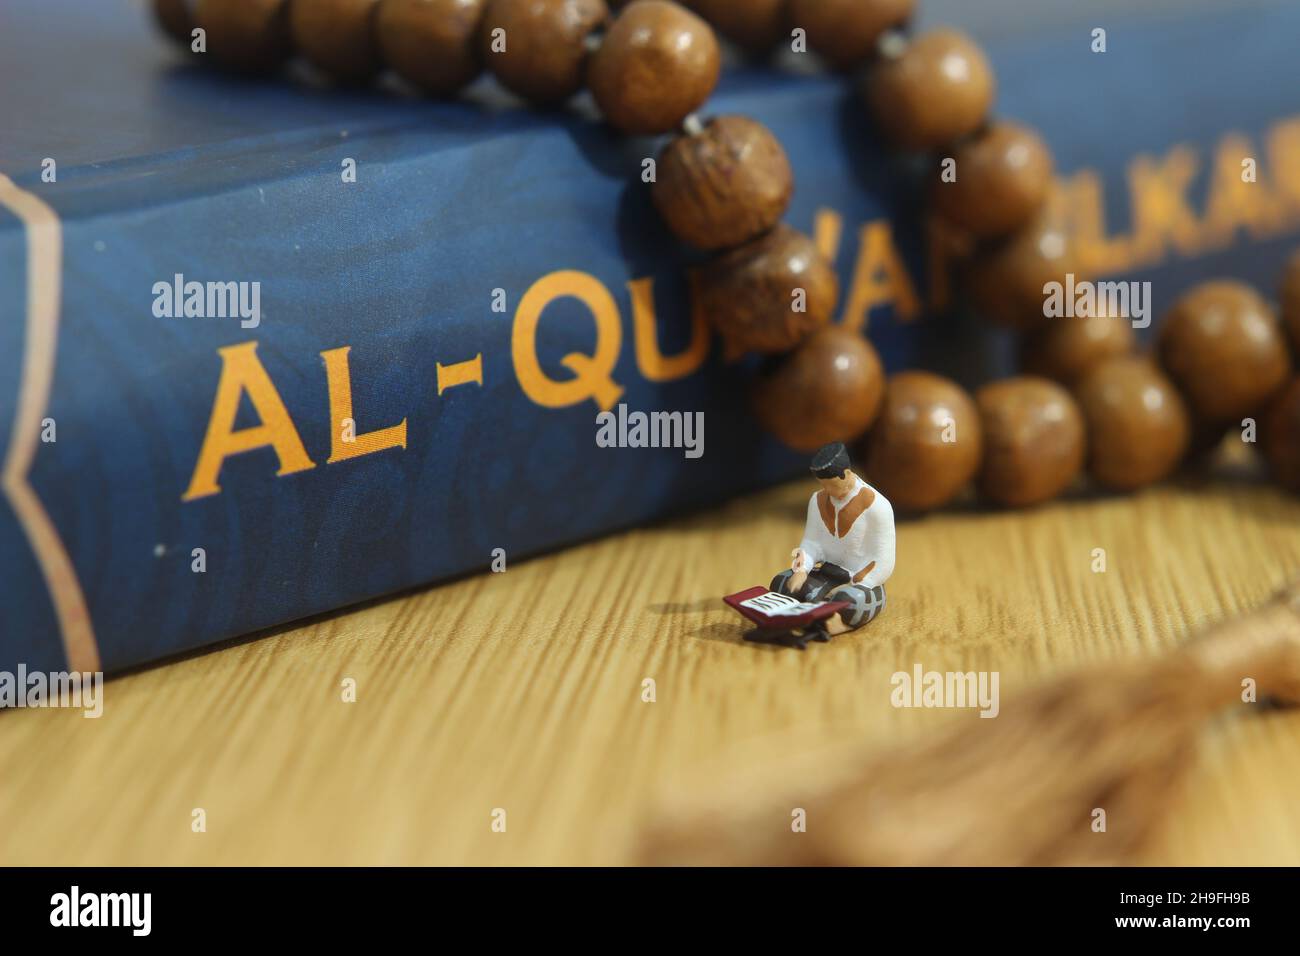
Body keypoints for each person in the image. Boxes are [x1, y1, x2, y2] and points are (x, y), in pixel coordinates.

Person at [770, 442, 895, 637]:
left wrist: (859, 581)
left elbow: (884, 559)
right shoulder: (817, 500)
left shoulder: (878, 507)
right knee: (782, 583)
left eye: (831, 485)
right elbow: (811, 542)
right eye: (823, 485)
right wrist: (802, 570)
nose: (828, 491)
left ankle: (835, 620)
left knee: (847, 600)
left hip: (861, 580)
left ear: (845, 474)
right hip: (826, 571)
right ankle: (808, 615)